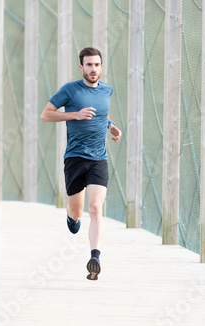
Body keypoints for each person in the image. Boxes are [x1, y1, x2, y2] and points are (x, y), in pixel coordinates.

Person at [41, 47, 122, 280]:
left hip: (99, 158)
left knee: (96, 207)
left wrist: (111, 126)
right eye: (89, 65)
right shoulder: (70, 90)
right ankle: (71, 217)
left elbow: (101, 115)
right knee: (77, 212)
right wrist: (73, 115)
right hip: (75, 158)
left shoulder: (107, 90)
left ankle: (95, 257)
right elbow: (46, 115)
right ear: (81, 67)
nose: (93, 69)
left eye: (97, 65)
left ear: (101, 67)